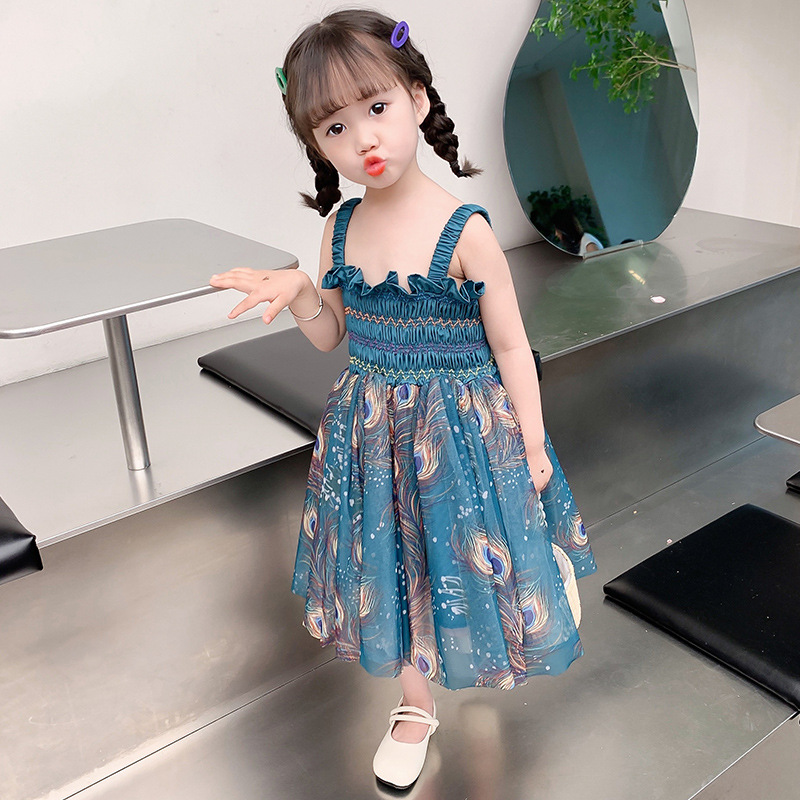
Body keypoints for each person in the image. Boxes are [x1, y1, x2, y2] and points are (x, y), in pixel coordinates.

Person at [209, 9, 597, 790]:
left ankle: (535, 577)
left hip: (464, 434)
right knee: (390, 570)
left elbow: (511, 346)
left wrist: (529, 442)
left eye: (377, 107)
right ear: (317, 144)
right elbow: (332, 336)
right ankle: (415, 707)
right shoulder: (339, 230)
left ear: (418, 98)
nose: (364, 140)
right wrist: (301, 292)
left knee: (472, 555)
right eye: (335, 128)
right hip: (370, 441)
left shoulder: (467, 230)